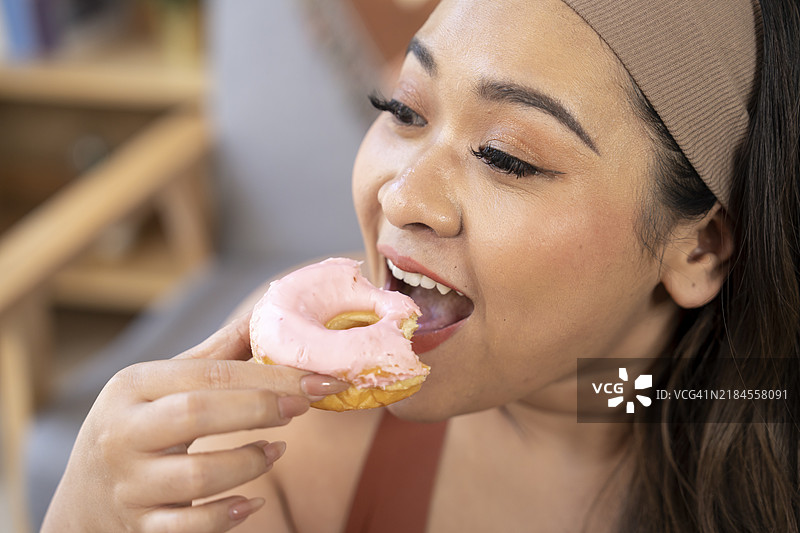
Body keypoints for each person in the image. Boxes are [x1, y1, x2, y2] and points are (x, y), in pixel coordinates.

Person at [42, 0, 799, 531]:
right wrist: (78, 520)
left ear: (697, 247)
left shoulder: (743, 405)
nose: (403, 195)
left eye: (507, 156)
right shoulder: (273, 454)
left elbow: (619, 396)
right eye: (403, 108)